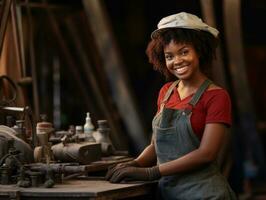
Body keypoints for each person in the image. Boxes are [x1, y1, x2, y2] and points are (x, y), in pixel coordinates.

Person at [106, 12, 237, 199]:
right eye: (169, 56)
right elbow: (156, 144)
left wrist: (152, 172)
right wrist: (135, 164)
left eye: (184, 52)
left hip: (205, 194)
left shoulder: (216, 96)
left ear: (199, 50)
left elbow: (207, 153)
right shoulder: (166, 92)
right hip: (169, 193)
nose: (177, 61)